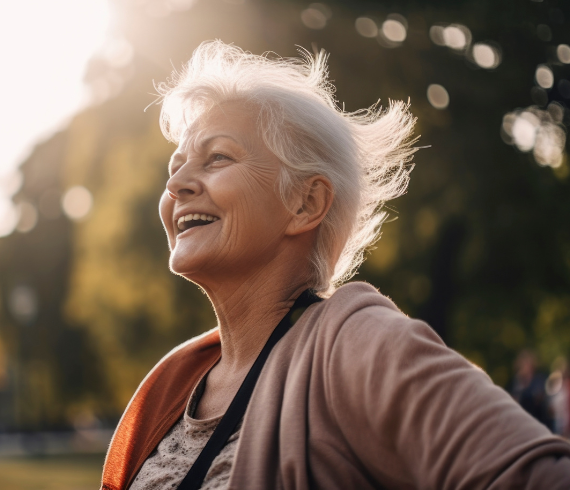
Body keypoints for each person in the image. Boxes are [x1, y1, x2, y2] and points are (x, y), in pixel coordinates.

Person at [100, 41, 570, 490]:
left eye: (217, 157)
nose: (177, 183)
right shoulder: (171, 382)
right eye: (175, 167)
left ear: (306, 204)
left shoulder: (357, 345)